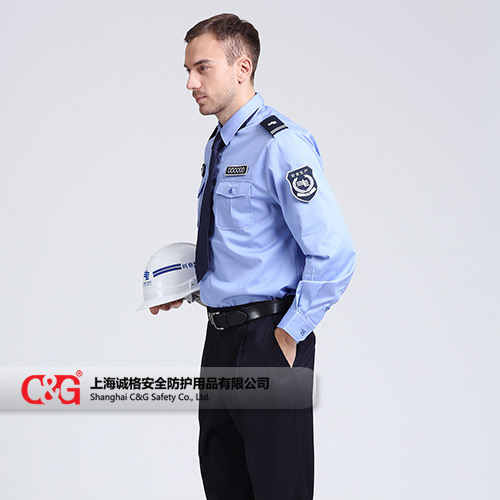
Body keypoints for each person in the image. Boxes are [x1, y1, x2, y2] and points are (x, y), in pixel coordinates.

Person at [150, 13, 356, 500]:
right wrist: (191, 285)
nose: (190, 83)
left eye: (202, 68)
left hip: (268, 339)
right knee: (224, 482)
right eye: (187, 70)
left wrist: (289, 332)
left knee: (278, 487)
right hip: (219, 340)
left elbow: (335, 252)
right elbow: (246, 245)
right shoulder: (219, 145)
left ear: (242, 68)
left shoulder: (280, 144)